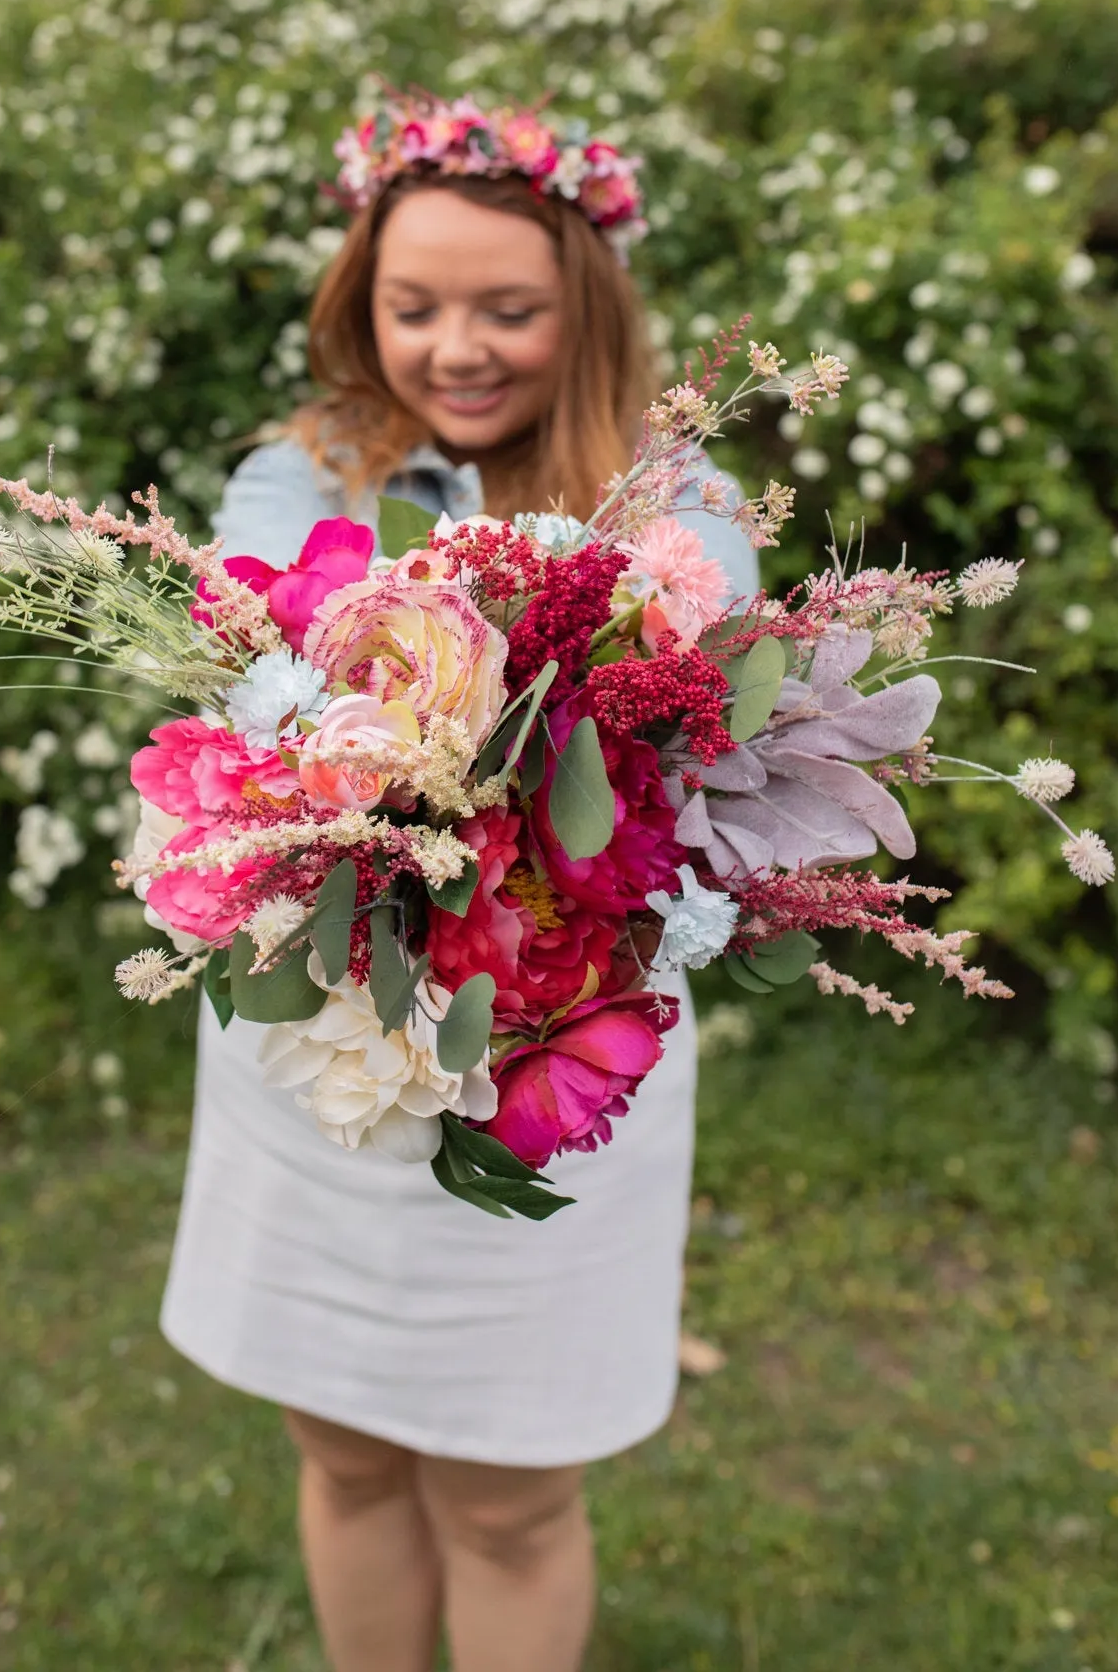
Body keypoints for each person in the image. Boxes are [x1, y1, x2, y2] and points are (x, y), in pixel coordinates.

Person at [160, 94, 758, 1672]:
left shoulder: (683, 512)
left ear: (588, 304)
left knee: (510, 1496)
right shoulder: (301, 483)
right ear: (364, 304)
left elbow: (697, 740)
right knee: (345, 1454)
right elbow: (257, 698)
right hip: (326, 1055)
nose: (458, 347)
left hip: (555, 1050)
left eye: (510, 309)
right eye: (415, 308)